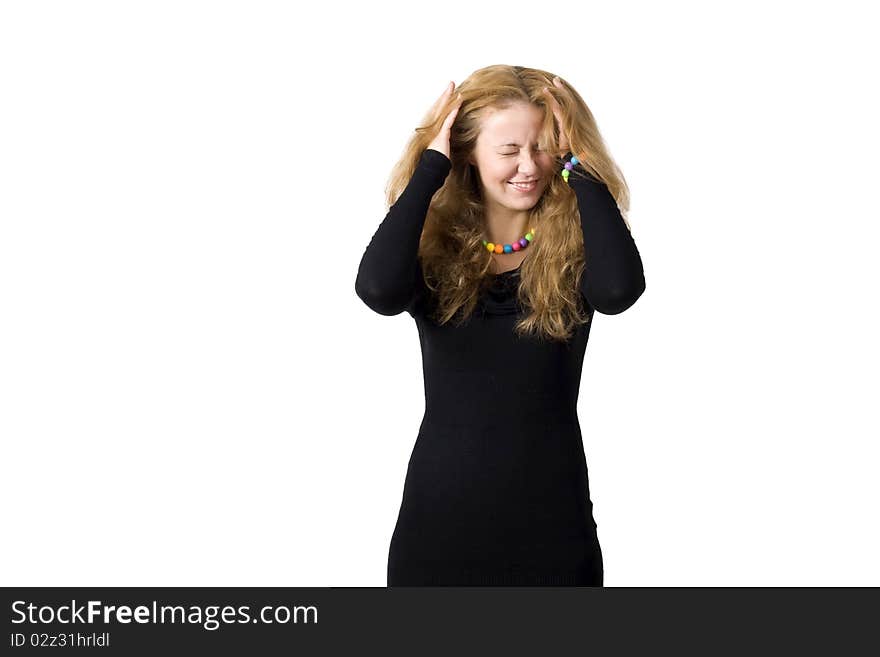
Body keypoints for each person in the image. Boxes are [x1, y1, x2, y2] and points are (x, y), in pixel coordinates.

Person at [355, 65, 646, 586]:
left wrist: (579, 162)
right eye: (509, 150)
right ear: (467, 152)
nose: (528, 166)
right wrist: (429, 168)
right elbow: (377, 291)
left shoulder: (577, 250)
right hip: (439, 529)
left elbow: (620, 292)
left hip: (555, 531)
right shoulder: (434, 252)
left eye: (543, 147)